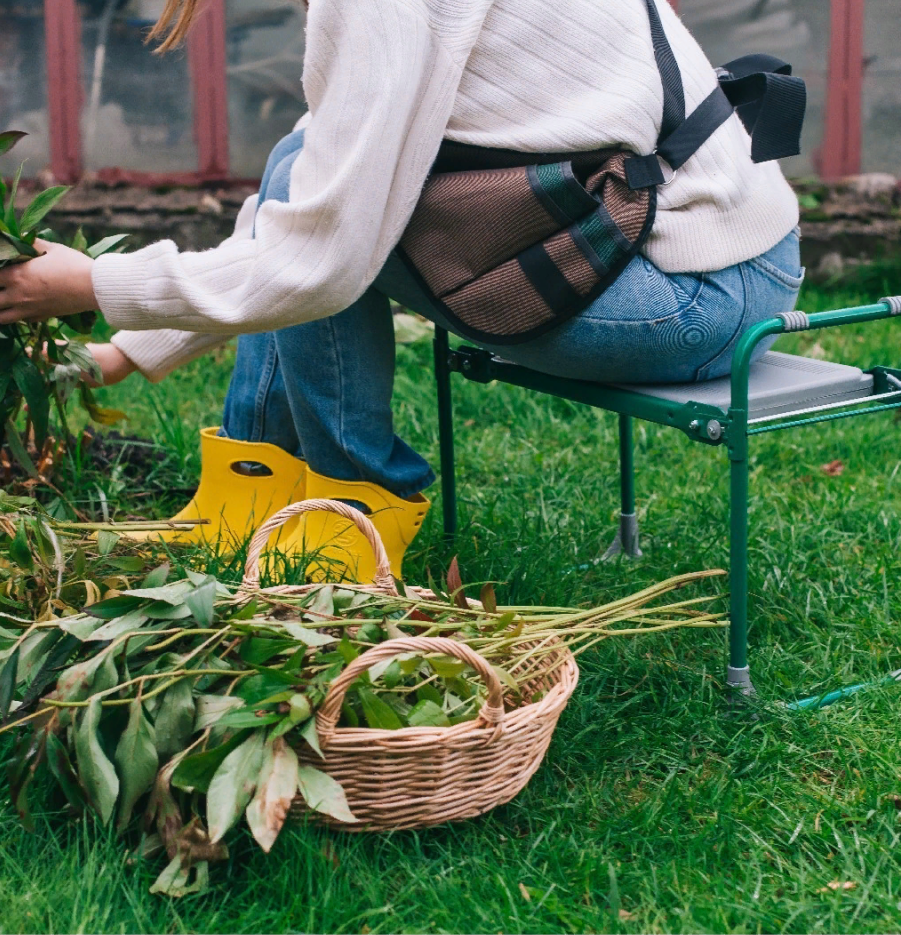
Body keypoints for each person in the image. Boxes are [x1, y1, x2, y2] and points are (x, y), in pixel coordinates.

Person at [0, 0, 804, 581]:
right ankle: (251, 494)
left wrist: (94, 284)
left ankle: (357, 510)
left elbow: (318, 259)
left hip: (695, 286)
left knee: (331, 241)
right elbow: (314, 176)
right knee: (299, 167)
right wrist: (127, 350)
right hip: (697, 244)